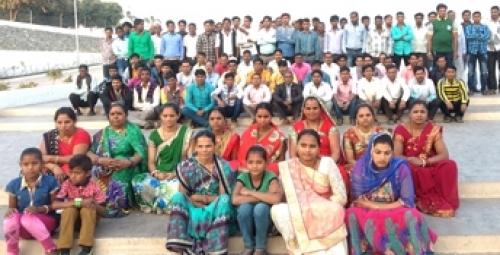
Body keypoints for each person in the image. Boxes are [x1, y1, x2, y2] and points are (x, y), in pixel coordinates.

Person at [346, 133, 437, 254]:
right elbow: (359, 200)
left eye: (387, 153)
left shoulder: (400, 167)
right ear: (370, 152)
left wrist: (376, 206)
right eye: (377, 152)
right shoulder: (361, 167)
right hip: (367, 210)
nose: (382, 157)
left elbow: (406, 201)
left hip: (393, 208)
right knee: (351, 213)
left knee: (413, 215)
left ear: (392, 153)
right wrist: (371, 206)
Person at [271, 129, 348, 255]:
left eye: (312, 146)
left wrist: (319, 205)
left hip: (325, 209)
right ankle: (296, 248)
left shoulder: (327, 163)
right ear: (296, 147)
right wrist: (274, 187)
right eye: (303, 145)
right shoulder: (289, 167)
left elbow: (341, 197)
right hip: (300, 211)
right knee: (277, 210)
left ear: (318, 148)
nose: (307, 150)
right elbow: (286, 195)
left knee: (337, 209)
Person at [166, 131, 236, 254]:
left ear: (215, 146)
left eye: (208, 146)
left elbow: (223, 197)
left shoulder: (223, 166)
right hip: (193, 209)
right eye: (200, 146)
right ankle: (180, 242)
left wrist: (202, 198)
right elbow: (184, 195)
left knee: (225, 200)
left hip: (214, 209)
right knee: (177, 197)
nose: (204, 150)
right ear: (195, 147)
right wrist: (195, 203)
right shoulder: (186, 166)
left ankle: (215, 248)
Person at [393, 100, 459, 217]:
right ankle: (413, 198)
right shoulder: (401, 129)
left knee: (450, 165)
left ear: (427, 113)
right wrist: (412, 161)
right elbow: (396, 155)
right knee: (404, 167)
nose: (419, 115)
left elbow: (444, 155)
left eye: (422, 112)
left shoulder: (433, 130)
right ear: (409, 113)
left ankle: (444, 198)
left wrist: (423, 162)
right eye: (416, 112)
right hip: (411, 165)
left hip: (428, 165)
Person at [87, 103, 146, 217]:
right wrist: (99, 160)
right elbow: (90, 151)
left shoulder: (133, 131)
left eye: (119, 113)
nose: (115, 116)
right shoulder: (103, 133)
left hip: (128, 165)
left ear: (126, 115)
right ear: (108, 116)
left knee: (120, 173)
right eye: (112, 114)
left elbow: (140, 153)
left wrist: (128, 162)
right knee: (94, 170)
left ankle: (116, 205)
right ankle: (98, 201)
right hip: (104, 163)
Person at [133, 103, 192, 214]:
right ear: (160, 116)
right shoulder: (154, 135)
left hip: (179, 172)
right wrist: (156, 173)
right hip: (160, 172)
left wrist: (175, 174)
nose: (168, 119)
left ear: (178, 115)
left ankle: (172, 207)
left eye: (172, 115)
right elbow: (151, 162)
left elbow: (190, 161)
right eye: (165, 116)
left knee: (176, 187)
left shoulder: (186, 132)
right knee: (138, 182)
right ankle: (156, 205)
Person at [4, 148, 59, 255]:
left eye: (34, 163)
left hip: (47, 225)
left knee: (27, 218)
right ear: (21, 165)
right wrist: (10, 211)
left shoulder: (50, 181)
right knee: (10, 218)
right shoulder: (14, 184)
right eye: (26, 164)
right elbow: (12, 207)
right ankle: (12, 251)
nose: (30, 167)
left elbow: (55, 206)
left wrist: (39, 209)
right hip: (24, 229)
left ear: (42, 164)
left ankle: (50, 248)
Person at [289, 95, 349, 190]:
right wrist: (305, 168)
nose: (311, 111)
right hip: (302, 164)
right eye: (308, 108)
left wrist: (322, 168)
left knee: (341, 173)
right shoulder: (295, 128)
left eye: (315, 108)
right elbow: (292, 154)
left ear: (320, 109)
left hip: (326, 165)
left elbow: (336, 153)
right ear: (303, 110)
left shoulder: (330, 127)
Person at [52, 155, 106, 255]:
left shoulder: (95, 186)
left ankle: (87, 249)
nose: (73, 176)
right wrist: (76, 203)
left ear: (88, 173)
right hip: (73, 221)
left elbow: (103, 212)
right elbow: (54, 205)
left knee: (88, 209)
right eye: (70, 172)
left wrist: (93, 203)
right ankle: (64, 250)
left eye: (77, 173)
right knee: (69, 210)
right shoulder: (67, 184)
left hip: (90, 220)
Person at [233, 145, 282, 255]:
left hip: (266, 224)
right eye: (251, 162)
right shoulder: (243, 178)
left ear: (266, 163)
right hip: (247, 225)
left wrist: (250, 192)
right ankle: (248, 246)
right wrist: (264, 196)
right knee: (244, 208)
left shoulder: (271, 177)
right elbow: (235, 199)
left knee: (261, 208)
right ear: (246, 163)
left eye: (259, 162)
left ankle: (260, 248)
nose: (254, 166)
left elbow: (276, 199)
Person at [40, 107, 91, 182]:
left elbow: (76, 158)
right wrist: (54, 167)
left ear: (75, 121)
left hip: (73, 167)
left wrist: (52, 158)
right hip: (51, 168)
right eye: (59, 122)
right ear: (55, 123)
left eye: (67, 122)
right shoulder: (50, 136)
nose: (63, 126)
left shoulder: (81, 134)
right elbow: (40, 158)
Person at [237, 103, 286, 175]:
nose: (262, 120)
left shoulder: (279, 137)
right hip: (246, 165)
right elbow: (241, 152)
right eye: (259, 117)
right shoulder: (249, 130)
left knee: (275, 167)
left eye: (266, 117)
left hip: (266, 168)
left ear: (271, 117)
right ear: (255, 117)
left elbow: (281, 161)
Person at [343, 104, 384, 173]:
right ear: (356, 118)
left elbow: (386, 154)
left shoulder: (380, 132)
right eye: (361, 116)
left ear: (373, 116)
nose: (365, 118)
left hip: (378, 166)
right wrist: (363, 168)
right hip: (358, 166)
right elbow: (350, 159)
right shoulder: (349, 134)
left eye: (368, 115)